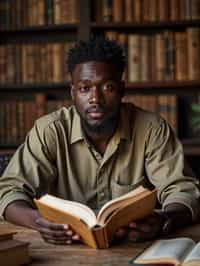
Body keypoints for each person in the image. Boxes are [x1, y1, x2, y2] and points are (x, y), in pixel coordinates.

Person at [0, 37, 200, 246]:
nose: (95, 99)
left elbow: (183, 190)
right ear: (73, 93)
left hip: (137, 248)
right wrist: (38, 221)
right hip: (65, 250)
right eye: (85, 88)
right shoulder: (50, 131)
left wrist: (165, 220)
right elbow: (9, 191)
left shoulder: (152, 130)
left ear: (121, 89)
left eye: (107, 87)